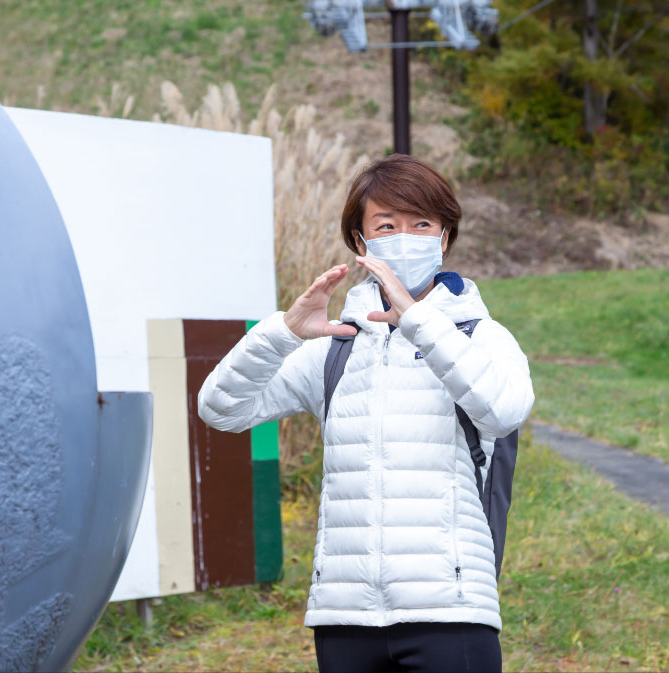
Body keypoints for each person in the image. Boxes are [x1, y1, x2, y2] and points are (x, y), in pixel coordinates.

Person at [198, 154, 534, 673]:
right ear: (360, 242)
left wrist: (420, 322)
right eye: (386, 226)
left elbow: (503, 412)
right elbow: (221, 409)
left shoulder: (481, 337)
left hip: (452, 609)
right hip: (345, 614)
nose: (405, 238)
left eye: (422, 224)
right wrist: (283, 333)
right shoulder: (336, 348)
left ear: (444, 237)